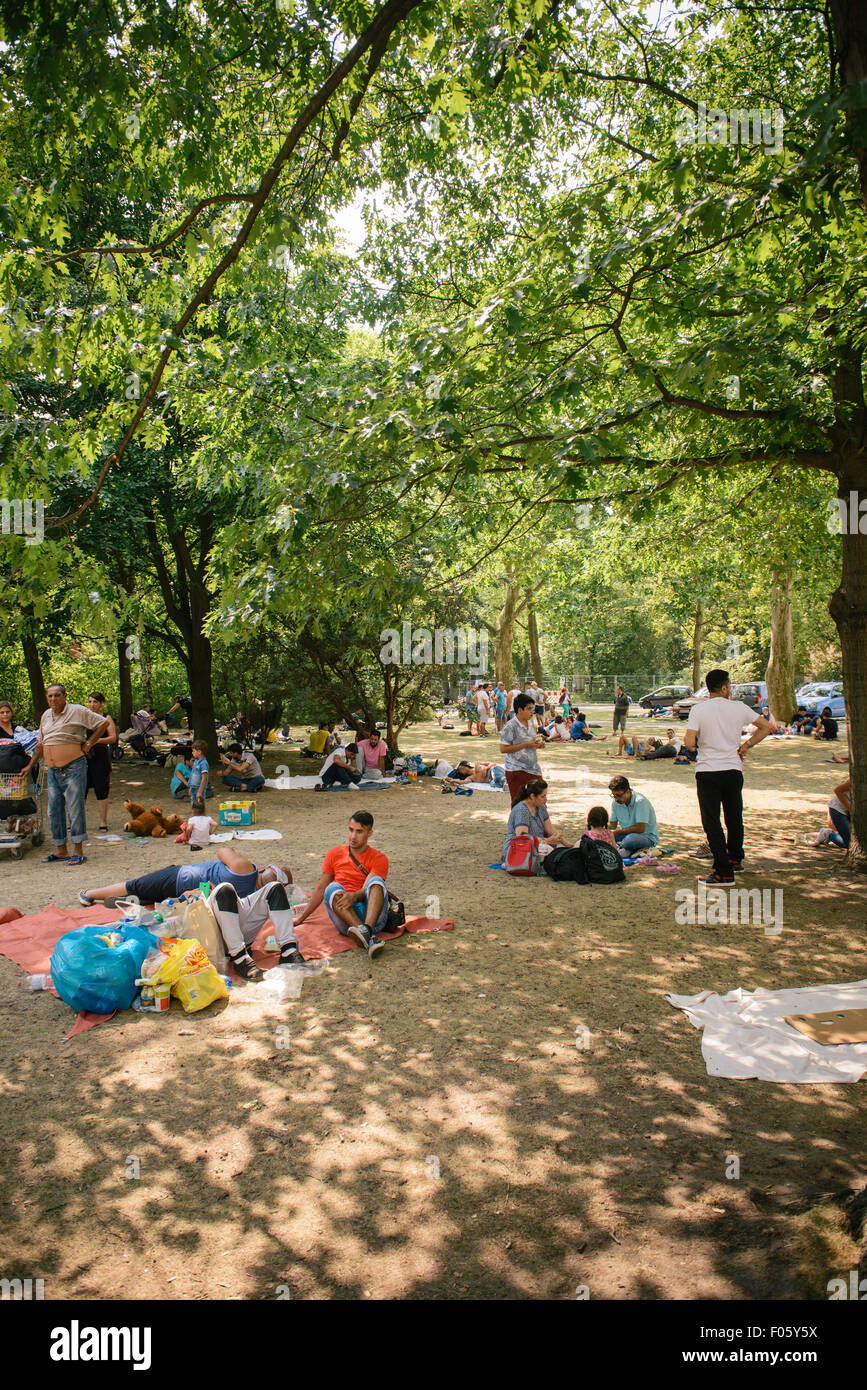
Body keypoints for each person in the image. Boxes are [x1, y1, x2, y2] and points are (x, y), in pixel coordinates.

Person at [683, 667, 771, 885]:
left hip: (708, 771)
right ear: (724, 687)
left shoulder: (698, 710)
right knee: (734, 816)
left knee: (712, 821)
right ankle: (735, 858)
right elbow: (766, 726)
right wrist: (746, 745)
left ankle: (723, 871)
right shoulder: (738, 707)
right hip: (733, 769)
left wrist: (701, 744)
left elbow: (689, 743)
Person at [22, 684, 109, 865]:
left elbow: (103, 723)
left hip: (74, 766)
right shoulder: (46, 715)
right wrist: (30, 765)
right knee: (53, 809)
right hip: (52, 769)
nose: (53, 699)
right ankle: (61, 849)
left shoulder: (77, 711)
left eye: (57, 696)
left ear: (64, 696)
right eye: (50, 696)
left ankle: (78, 849)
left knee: (75, 808)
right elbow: (41, 743)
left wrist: (90, 743)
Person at [293, 810, 390, 958]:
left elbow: (367, 889)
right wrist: (301, 918)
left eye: (359, 832)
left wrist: (353, 897)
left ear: (369, 833)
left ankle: (366, 930)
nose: (353, 836)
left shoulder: (380, 858)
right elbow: (320, 889)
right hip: (346, 919)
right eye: (351, 830)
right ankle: (369, 938)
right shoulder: (334, 853)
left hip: (372, 916)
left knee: (376, 882)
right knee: (331, 888)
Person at [208, 865, 303, 979]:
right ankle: (240, 958)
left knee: (275, 887)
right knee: (223, 889)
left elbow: (285, 877)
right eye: (271, 876)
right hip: (215, 930)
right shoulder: (241, 870)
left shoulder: (257, 892)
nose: (270, 880)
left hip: (241, 930)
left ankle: (288, 950)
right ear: (261, 870)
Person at [501, 778, 569, 868]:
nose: (545, 799)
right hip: (518, 847)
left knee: (563, 852)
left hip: (537, 845)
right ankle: (513, 863)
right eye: (542, 796)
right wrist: (547, 841)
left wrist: (566, 844)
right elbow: (522, 838)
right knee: (553, 855)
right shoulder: (522, 810)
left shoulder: (541, 807)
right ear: (532, 796)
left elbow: (550, 830)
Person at [500, 693, 547, 805]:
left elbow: (530, 742)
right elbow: (503, 749)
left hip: (533, 768)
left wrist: (537, 744)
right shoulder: (510, 726)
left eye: (533, 708)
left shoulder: (531, 722)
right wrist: (525, 744)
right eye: (529, 709)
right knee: (519, 805)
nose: (532, 711)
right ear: (520, 710)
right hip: (516, 769)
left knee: (540, 802)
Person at [83, 692, 117, 832]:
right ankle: (77, 821)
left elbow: (113, 738)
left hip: (100, 756)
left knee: (101, 788)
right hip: (84, 756)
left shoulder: (106, 718)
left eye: (95, 702)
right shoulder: (83, 717)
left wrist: (95, 741)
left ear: (101, 703)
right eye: (90, 701)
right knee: (80, 789)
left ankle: (103, 821)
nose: (92, 705)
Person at [608, 775, 660, 855]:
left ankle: (621, 847)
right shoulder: (615, 803)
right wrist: (599, 829)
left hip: (646, 837)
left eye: (619, 795)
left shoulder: (640, 801)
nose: (616, 799)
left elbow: (640, 828)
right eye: (614, 796)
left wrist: (617, 832)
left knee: (629, 841)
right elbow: (612, 825)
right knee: (603, 837)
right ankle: (622, 848)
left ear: (628, 791)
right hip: (626, 836)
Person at [188, 739, 210, 807]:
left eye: (194, 751)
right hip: (193, 787)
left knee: (200, 805)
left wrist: (200, 791)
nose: (192, 753)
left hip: (199, 788)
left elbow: (204, 778)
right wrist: (190, 787)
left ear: (199, 752)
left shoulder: (203, 763)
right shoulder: (196, 761)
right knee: (193, 804)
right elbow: (192, 775)